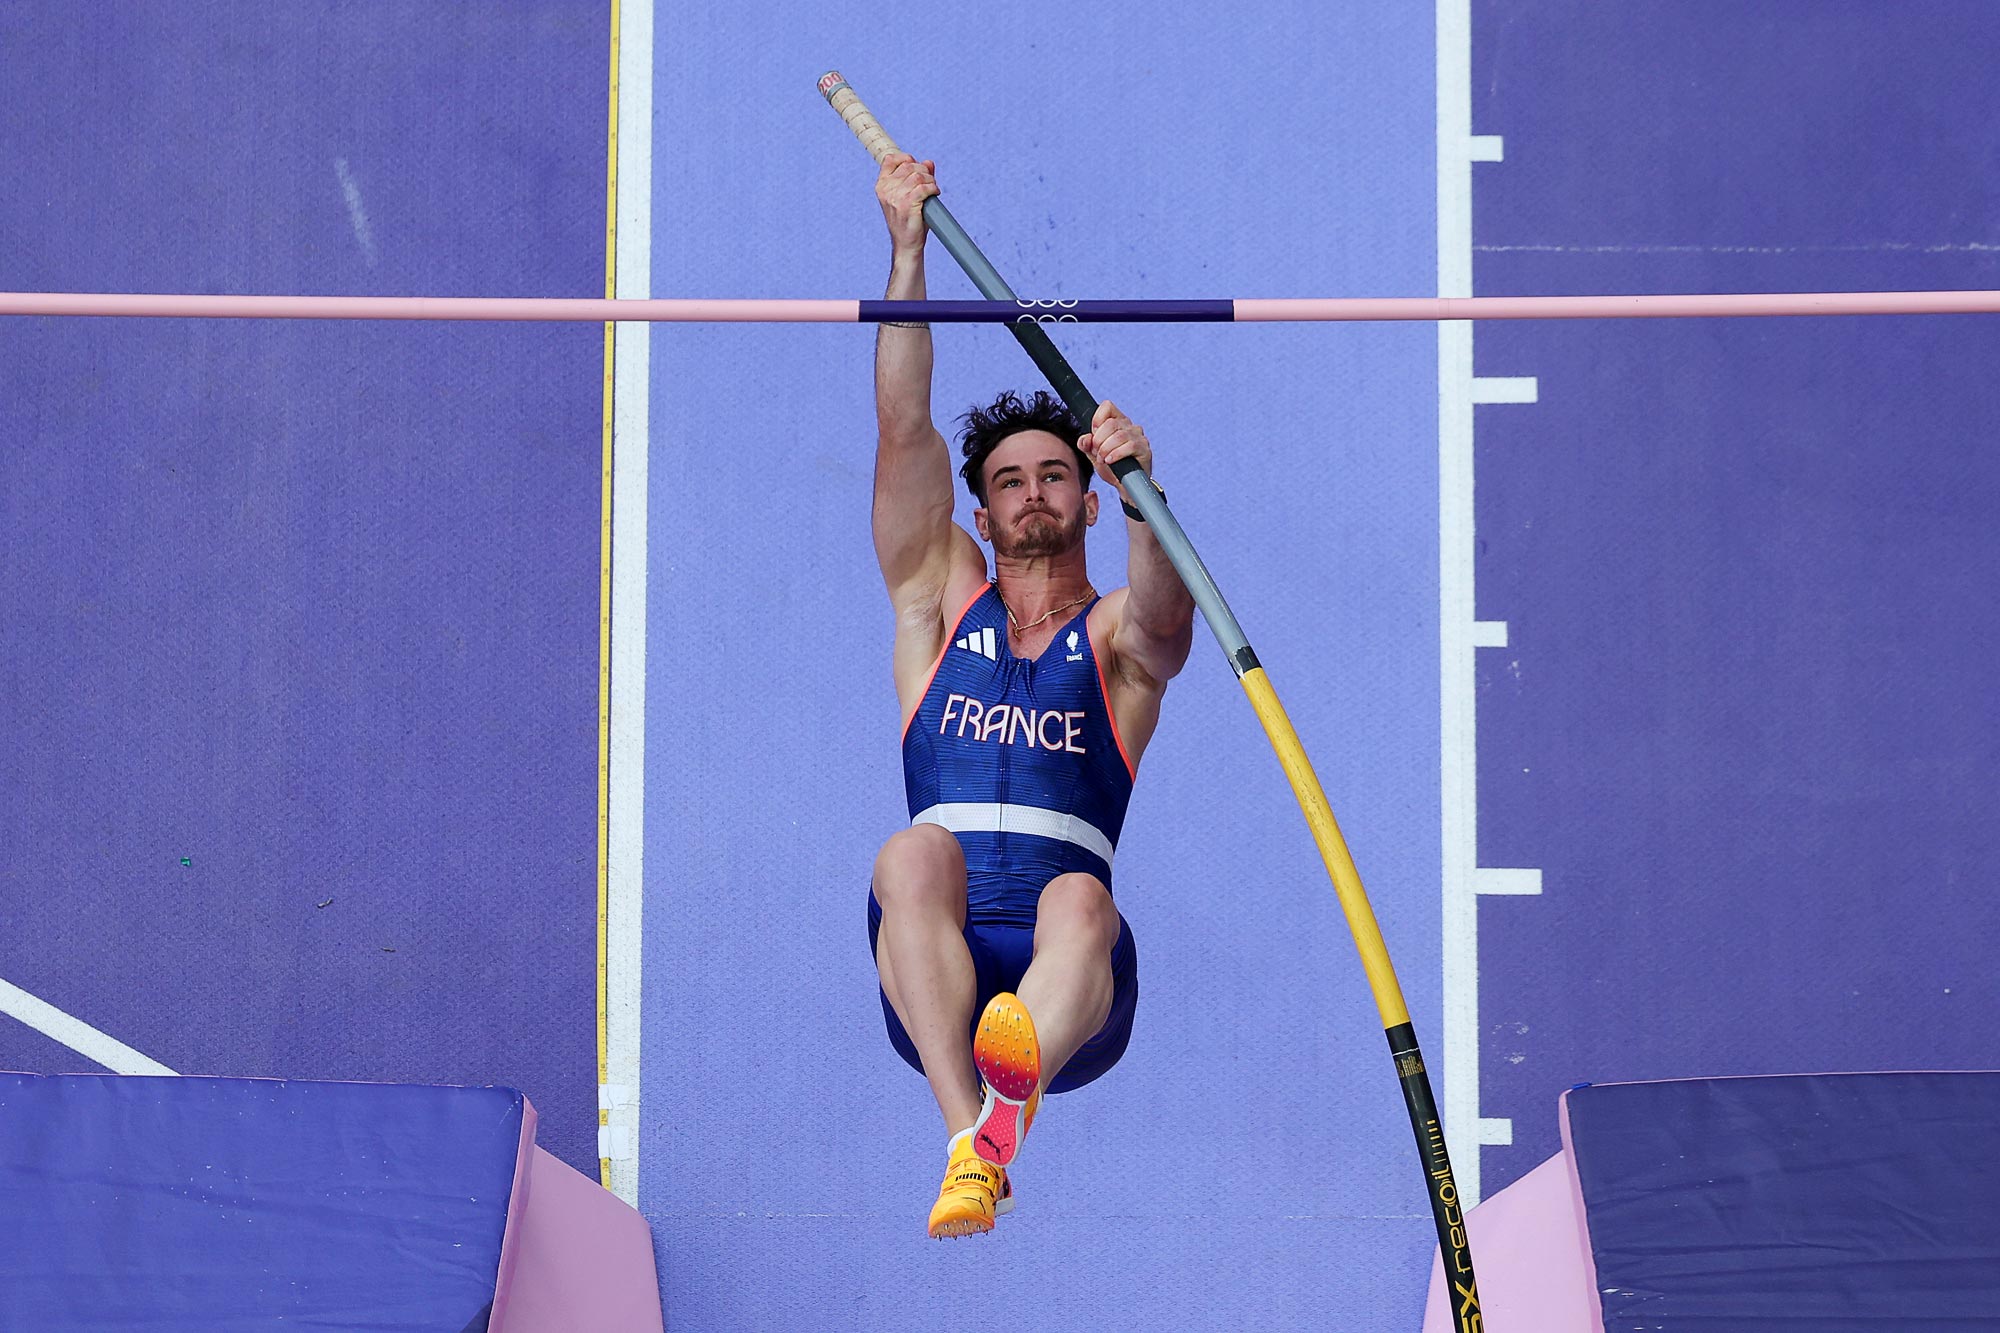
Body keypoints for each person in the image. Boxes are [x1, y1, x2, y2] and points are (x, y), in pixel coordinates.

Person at [866, 150, 1197, 1239]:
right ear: (982, 510)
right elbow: (905, 430)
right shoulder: (937, 599)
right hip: (939, 963)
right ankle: (972, 1143)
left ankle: (1011, 1098)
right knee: (910, 853)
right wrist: (907, 249)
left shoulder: (1111, 640)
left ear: (1086, 501)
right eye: (1007, 481)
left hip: (1072, 989)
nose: (1030, 493)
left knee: (1077, 900)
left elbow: (1162, 622)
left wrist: (1144, 496)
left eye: (1054, 474)